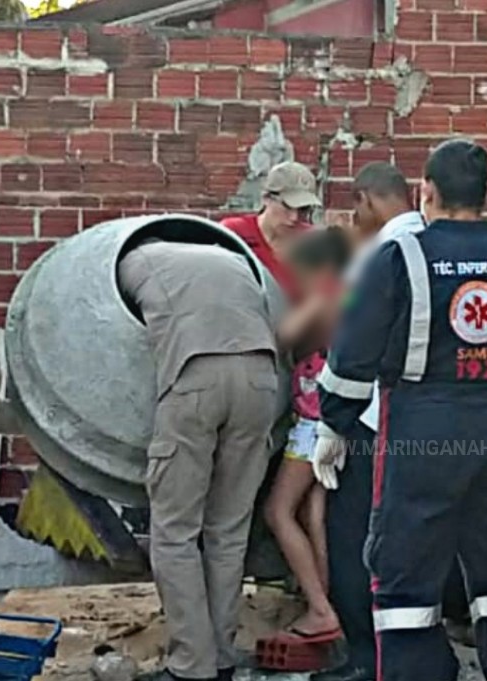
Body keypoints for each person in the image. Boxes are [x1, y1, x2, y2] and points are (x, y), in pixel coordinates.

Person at [315, 140, 487, 681]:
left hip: (421, 430)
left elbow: (352, 348)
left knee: (403, 581)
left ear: (427, 191)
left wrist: (333, 423)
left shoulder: (398, 256)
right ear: (485, 194)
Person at [118, 238, 281, 681]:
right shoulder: (230, 257)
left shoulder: (130, 261)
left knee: (175, 533)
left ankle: (192, 665)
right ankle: (224, 657)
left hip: (196, 378)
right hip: (263, 380)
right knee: (228, 532)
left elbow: (118, 321)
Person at [311, 162, 425, 681]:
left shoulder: (378, 257)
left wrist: (332, 424)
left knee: (355, 537)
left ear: (369, 200)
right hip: (437, 424)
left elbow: (349, 347)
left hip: (374, 423)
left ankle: (365, 659)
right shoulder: (437, 247)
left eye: (357, 206)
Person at [263, 228, 353, 642]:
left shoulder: (327, 298)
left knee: (278, 512)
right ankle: (329, 601)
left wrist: (307, 301)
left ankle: (319, 608)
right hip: (337, 421)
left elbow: (283, 335)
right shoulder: (356, 294)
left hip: (313, 425)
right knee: (315, 515)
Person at [221, 161, 322, 300]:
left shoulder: (315, 242)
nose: (294, 217)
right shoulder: (234, 233)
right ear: (266, 198)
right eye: (287, 206)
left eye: (303, 209)